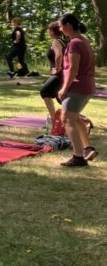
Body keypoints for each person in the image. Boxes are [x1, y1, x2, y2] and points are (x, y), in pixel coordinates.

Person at [57, 13, 96, 166]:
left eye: (61, 26)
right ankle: (87, 148)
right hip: (86, 86)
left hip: (78, 86)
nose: (60, 29)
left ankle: (78, 157)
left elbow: (73, 69)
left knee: (67, 120)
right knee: (75, 118)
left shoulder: (74, 43)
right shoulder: (83, 41)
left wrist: (64, 88)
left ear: (67, 26)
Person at [39, 21, 67, 120]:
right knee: (59, 97)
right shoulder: (63, 41)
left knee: (45, 92)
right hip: (63, 74)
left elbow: (59, 55)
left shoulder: (56, 42)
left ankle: (54, 119)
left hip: (59, 74)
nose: (48, 31)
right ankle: (70, 118)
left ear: (52, 31)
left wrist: (57, 68)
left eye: (49, 29)